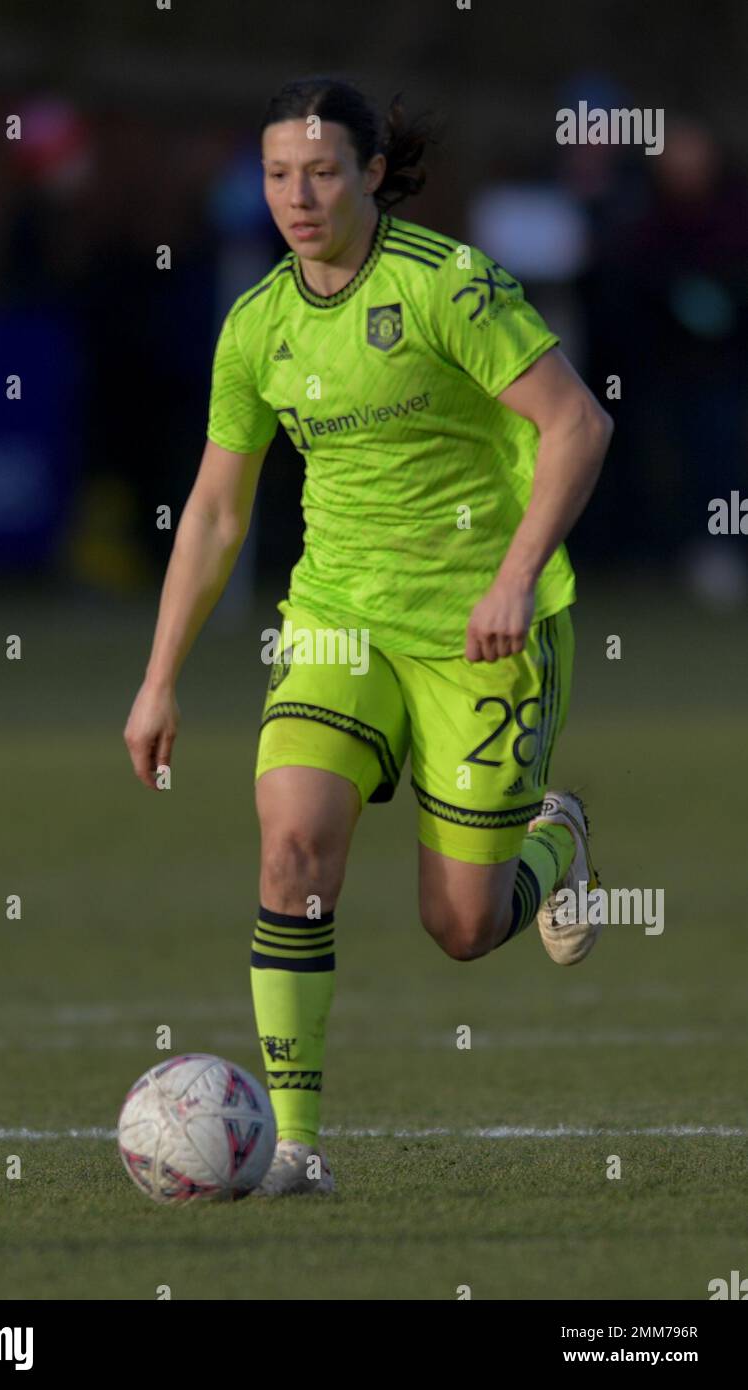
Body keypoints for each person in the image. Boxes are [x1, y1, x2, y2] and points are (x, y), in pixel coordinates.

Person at [123, 76, 613, 1198]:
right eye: (277, 175)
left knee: (460, 925)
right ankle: (292, 1147)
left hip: (480, 631)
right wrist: (157, 681)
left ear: (372, 173)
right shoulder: (256, 324)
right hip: (338, 623)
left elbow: (577, 424)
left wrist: (510, 579)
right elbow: (213, 509)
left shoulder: (449, 285)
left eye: (322, 173)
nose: (297, 197)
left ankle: (558, 838)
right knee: (290, 846)